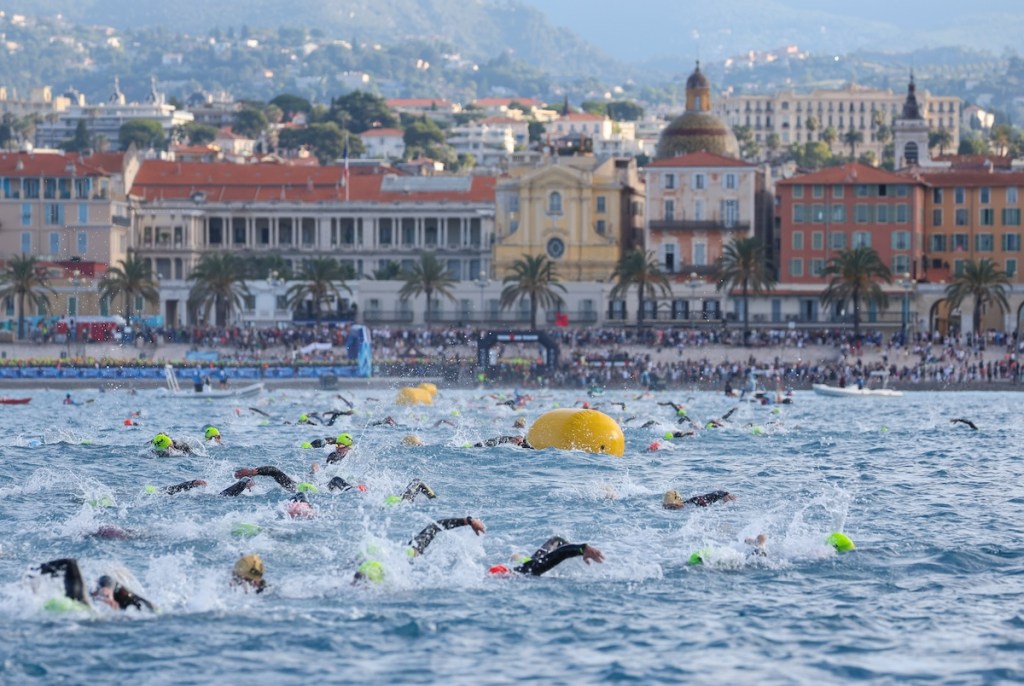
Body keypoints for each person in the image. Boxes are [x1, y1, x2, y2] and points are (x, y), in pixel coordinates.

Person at [354, 516, 486, 583]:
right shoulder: (406, 556)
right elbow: (434, 527)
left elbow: (433, 527)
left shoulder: (345, 575)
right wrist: (468, 520)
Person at [35, 558, 155, 611]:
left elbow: (109, 579)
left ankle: (28, 578)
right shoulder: (146, 609)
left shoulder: (85, 606)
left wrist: (107, 589)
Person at [488, 536, 604, 577]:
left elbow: (559, 555)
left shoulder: (528, 572)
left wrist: (582, 549)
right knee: (556, 540)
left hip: (526, 565)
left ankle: (583, 550)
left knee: (552, 553)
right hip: (525, 562)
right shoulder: (522, 570)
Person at [662, 490, 736, 510]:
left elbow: (717, 493)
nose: (673, 508)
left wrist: (725, 495)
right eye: (670, 507)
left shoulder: (692, 502)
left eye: (674, 506)